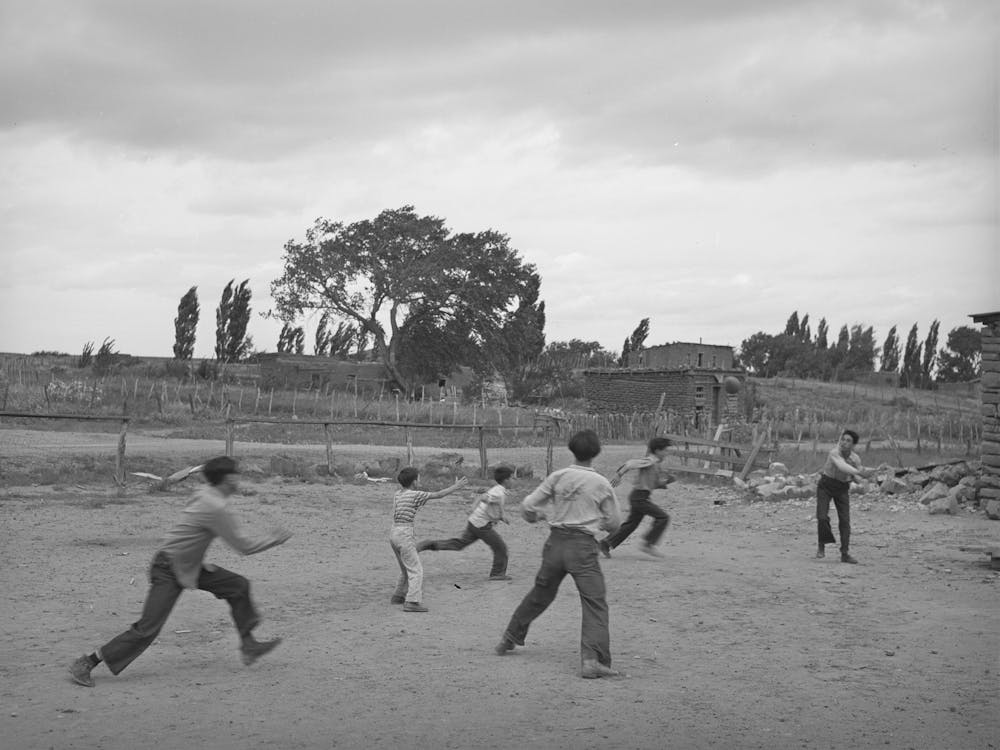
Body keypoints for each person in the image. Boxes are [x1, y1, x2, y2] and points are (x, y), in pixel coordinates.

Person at [68, 456, 292, 688]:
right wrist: (274, 539)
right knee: (147, 629)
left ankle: (249, 645)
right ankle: (86, 662)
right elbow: (243, 547)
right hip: (168, 568)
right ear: (226, 479)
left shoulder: (208, 493)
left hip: (188, 566)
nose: (239, 477)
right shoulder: (215, 506)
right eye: (235, 473)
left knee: (237, 585)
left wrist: (197, 560)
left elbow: (191, 534)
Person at [494, 429, 623, 679]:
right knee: (594, 602)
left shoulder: (558, 476)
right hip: (583, 547)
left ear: (572, 450)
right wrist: (599, 525)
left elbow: (528, 506)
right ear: (596, 453)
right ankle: (592, 659)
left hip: (555, 544)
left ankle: (510, 637)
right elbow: (615, 522)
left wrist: (536, 517)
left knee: (540, 594)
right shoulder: (601, 483)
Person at [389, 467, 469, 612]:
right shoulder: (416, 494)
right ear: (414, 482)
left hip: (393, 533)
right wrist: (456, 487)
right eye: (418, 478)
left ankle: (398, 596)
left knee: (405, 567)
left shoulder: (397, 494)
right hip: (404, 534)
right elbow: (439, 494)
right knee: (416, 570)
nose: (419, 481)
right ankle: (412, 602)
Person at [417, 465, 514, 581]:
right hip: (482, 525)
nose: (513, 481)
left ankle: (430, 544)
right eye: (512, 478)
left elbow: (493, 506)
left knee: (460, 544)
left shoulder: (499, 490)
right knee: (501, 548)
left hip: (474, 522)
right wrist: (472, 506)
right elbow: (482, 497)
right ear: (506, 480)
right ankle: (497, 574)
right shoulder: (499, 492)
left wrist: (502, 517)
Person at [599, 436, 676, 559]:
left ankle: (605, 543)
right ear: (657, 451)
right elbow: (630, 464)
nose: (667, 454)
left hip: (640, 496)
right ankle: (648, 544)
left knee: (630, 525)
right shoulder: (650, 461)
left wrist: (666, 482)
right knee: (663, 517)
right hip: (639, 498)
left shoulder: (656, 465)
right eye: (665, 450)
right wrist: (619, 475)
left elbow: (653, 484)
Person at [816, 429, 874, 564]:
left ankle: (845, 553)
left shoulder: (855, 458)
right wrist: (860, 472)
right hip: (826, 485)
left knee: (845, 521)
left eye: (848, 441)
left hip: (842, 488)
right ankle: (822, 544)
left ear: (853, 445)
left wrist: (864, 481)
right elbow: (842, 467)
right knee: (822, 517)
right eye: (843, 439)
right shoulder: (834, 453)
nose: (844, 443)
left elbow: (856, 476)